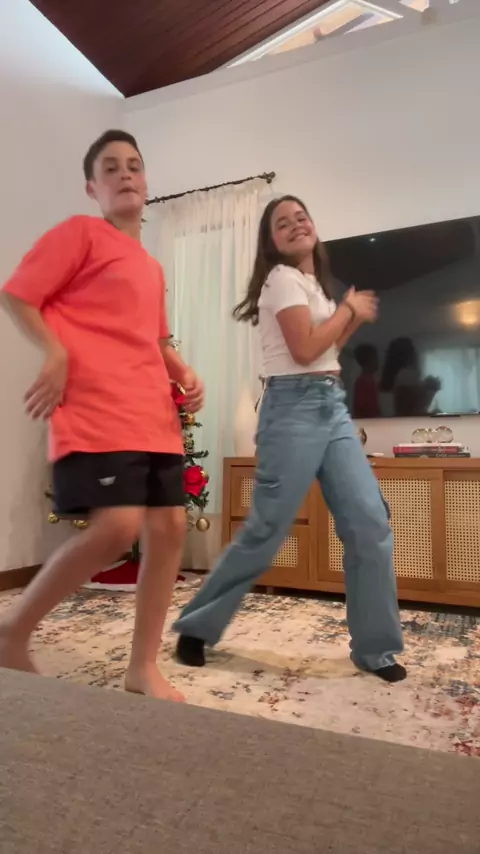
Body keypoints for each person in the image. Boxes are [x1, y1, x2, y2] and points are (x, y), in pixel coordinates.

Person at [0, 129, 204, 701]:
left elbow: (155, 340)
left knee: (169, 529)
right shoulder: (80, 234)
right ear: (92, 187)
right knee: (117, 527)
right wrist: (56, 352)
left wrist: (183, 371)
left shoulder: (151, 267)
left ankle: (142, 668)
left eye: (133, 165)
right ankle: (11, 631)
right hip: (98, 406)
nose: (125, 174)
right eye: (110, 168)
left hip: (153, 413)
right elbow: (17, 295)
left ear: (146, 181)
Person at [174, 194, 406, 683]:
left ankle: (376, 649)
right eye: (283, 223)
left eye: (301, 217)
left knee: (369, 522)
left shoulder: (314, 287)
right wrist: (348, 309)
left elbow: (325, 351)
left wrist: (348, 318)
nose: (296, 225)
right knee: (267, 529)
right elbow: (302, 351)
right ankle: (196, 626)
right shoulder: (281, 279)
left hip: (331, 405)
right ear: (272, 241)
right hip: (292, 407)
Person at [352, 342, 380, 418]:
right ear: (368, 361)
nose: (378, 362)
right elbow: (363, 408)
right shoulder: (364, 381)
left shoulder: (368, 380)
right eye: (375, 358)